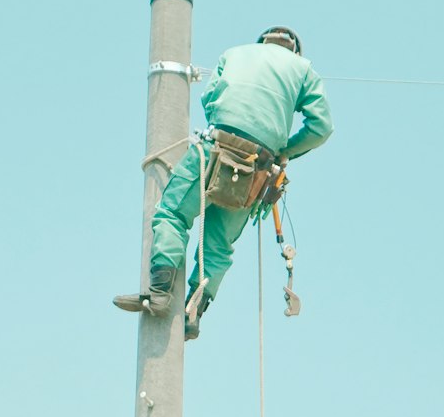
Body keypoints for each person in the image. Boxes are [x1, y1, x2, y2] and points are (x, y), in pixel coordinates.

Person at [114, 27, 333, 338]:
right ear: (293, 49)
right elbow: (321, 127)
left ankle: (161, 292)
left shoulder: (234, 53)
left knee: (173, 215)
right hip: (257, 165)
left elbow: (210, 97)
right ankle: (194, 311)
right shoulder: (303, 68)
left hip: (216, 148)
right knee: (218, 244)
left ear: (263, 41)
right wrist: (286, 151)